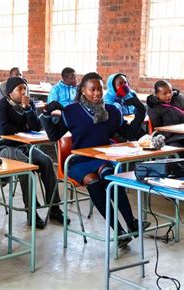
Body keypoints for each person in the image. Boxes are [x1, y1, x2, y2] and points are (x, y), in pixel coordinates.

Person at [40, 72, 150, 248]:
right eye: (93, 89)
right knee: (93, 180)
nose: (97, 93)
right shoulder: (72, 111)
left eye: (100, 89)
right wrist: (46, 114)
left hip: (103, 159)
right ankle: (120, 231)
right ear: (83, 91)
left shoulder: (112, 111)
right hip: (78, 160)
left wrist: (140, 112)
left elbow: (129, 135)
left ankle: (131, 223)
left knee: (109, 175)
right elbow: (54, 135)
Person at [0, 77, 65, 229]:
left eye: (25, 88)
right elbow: (4, 129)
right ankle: (31, 211)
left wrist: (27, 110)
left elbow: (36, 127)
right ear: (10, 93)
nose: (23, 92)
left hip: (24, 145)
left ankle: (54, 207)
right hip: (4, 147)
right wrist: (23, 130)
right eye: (19, 89)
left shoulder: (28, 103)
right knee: (26, 165)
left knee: (46, 161)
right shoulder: (1, 105)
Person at [146, 80, 184, 154]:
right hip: (168, 138)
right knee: (178, 149)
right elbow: (157, 127)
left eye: (170, 91)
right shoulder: (153, 108)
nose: (169, 95)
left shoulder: (178, 98)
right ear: (157, 95)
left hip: (181, 134)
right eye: (164, 93)